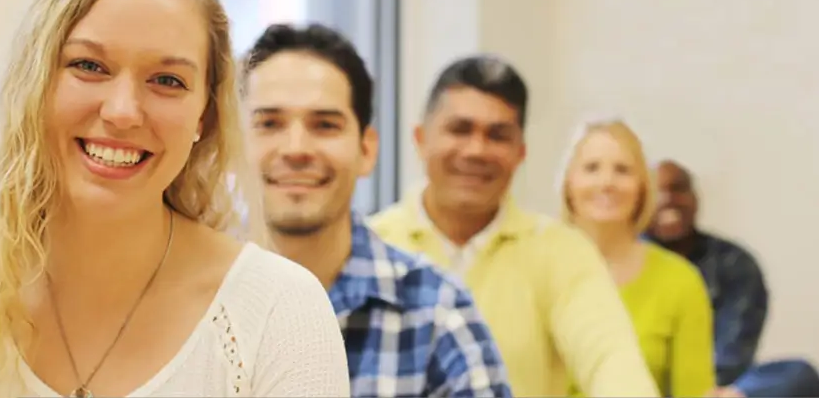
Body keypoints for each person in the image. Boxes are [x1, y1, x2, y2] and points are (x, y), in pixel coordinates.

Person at [0, 0, 350, 398]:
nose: (123, 111)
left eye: (167, 80)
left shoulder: (277, 315)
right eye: (89, 66)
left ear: (204, 116)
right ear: (34, 87)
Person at [241, 24, 511, 398]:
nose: (296, 148)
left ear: (367, 150)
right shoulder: (176, 297)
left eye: (325, 125)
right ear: (232, 144)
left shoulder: (437, 312)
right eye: (269, 123)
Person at [370, 55, 659, 397]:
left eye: (498, 135)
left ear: (520, 152)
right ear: (421, 138)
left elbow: (613, 364)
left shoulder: (561, 252)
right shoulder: (370, 247)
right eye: (459, 129)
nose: (477, 150)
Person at [559, 118, 715, 397]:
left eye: (622, 170)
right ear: (569, 184)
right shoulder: (534, 269)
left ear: (643, 187)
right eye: (591, 168)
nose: (607, 182)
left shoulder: (681, 282)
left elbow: (694, 392)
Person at [649, 160, 819, 398]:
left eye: (678, 188)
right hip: (644, 384)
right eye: (656, 192)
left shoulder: (733, 262)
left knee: (798, 375)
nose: (667, 199)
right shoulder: (626, 262)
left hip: (716, 388)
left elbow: (733, 354)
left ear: (695, 198)